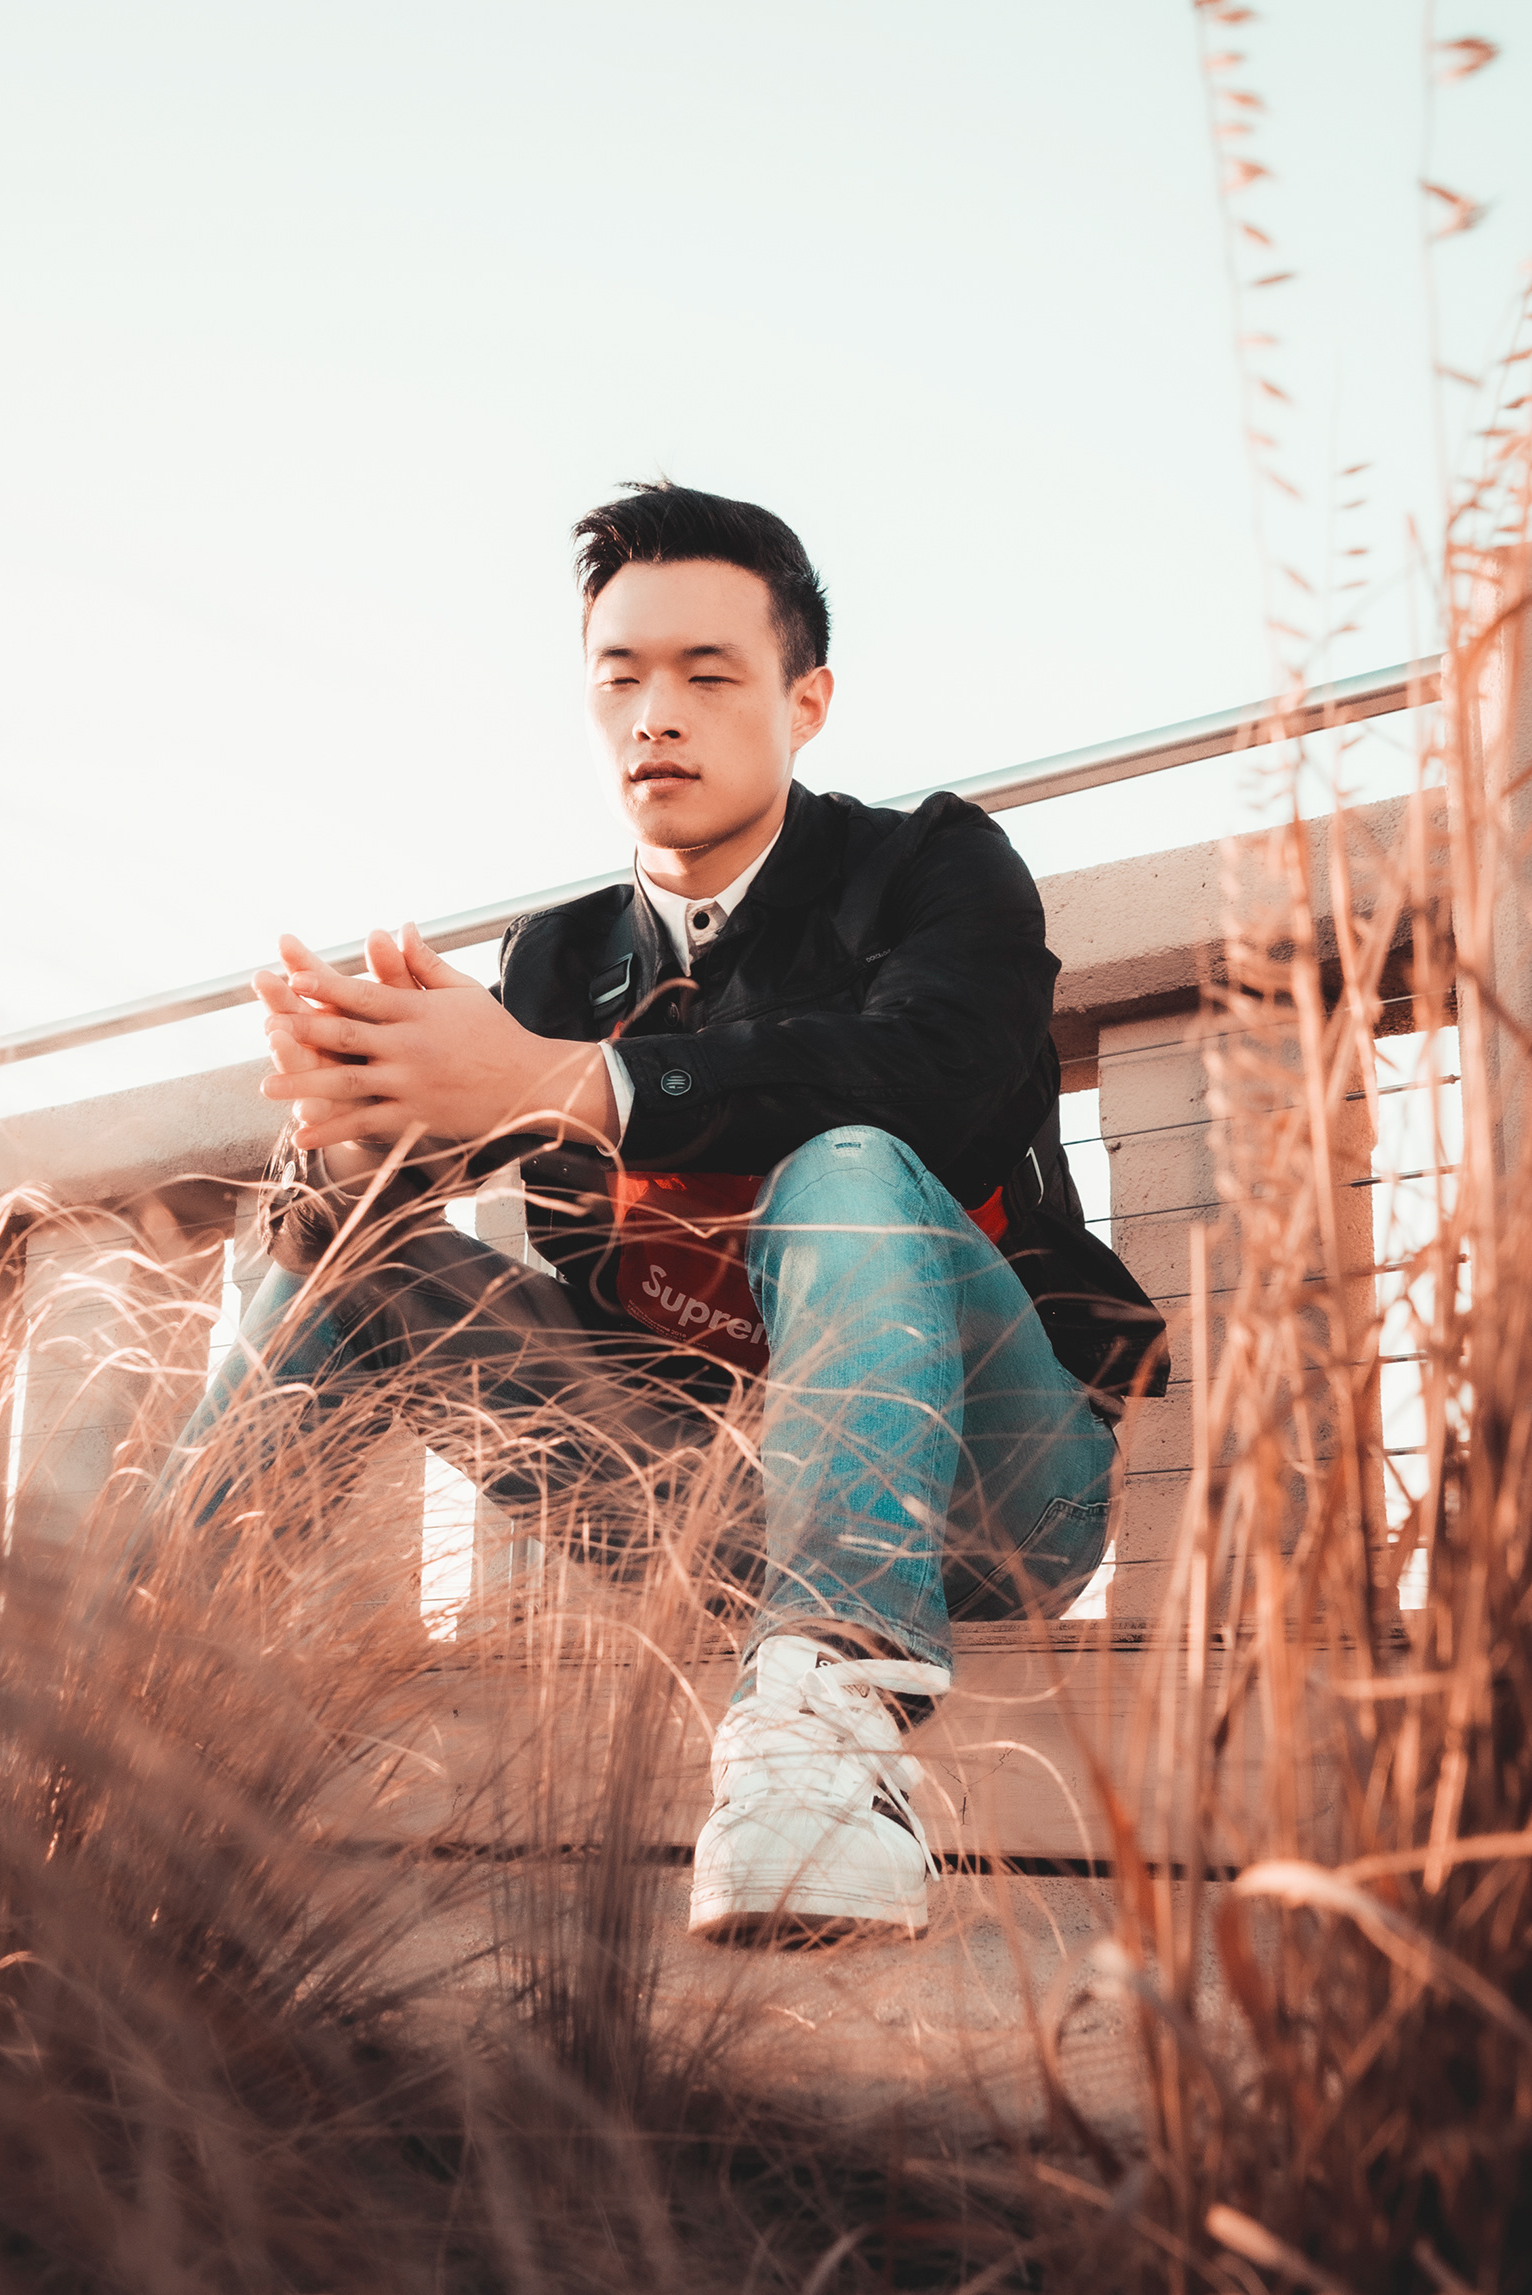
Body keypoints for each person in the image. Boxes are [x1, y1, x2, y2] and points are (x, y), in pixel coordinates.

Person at [174, 482, 1166, 1944]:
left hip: (993, 1496)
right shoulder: (556, 960)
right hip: (693, 1500)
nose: (656, 718)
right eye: (620, 679)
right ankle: (123, 1700)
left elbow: (940, 1080)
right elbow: (361, 1224)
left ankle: (825, 1750)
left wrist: (571, 1083)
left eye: (708, 676)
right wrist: (359, 1141)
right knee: (354, 1256)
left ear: (806, 703)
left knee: (846, 1159)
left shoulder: (927, 868)